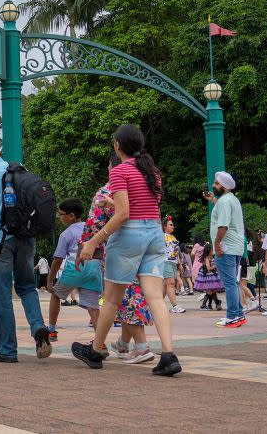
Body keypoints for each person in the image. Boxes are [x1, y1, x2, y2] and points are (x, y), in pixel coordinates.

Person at [72, 124, 180, 376]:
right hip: (155, 234)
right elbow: (143, 206)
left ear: (117, 145)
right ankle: (168, 354)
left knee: (111, 298)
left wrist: (92, 242)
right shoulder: (152, 172)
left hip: (129, 236)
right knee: (155, 297)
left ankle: (96, 350)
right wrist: (114, 203)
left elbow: (123, 215)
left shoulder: (120, 172)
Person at [0, 142, 51, 363]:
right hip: (25, 237)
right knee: (27, 287)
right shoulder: (17, 168)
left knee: (2, 294)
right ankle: (38, 327)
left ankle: (7, 350)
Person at [48, 198, 99, 340]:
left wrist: (50, 279)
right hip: (93, 269)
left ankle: (51, 330)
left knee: (56, 295)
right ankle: (100, 342)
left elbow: (58, 259)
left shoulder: (66, 234)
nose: (59, 217)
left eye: (61, 214)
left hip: (73, 269)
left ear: (70, 216)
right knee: (93, 307)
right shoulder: (92, 228)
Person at [204, 171, 247, 328]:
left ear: (223, 186)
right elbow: (225, 213)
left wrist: (216, 244)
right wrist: (213, 200)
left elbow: (223, 225)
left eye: (216, 183)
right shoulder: (232, 200)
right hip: (235, 247)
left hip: (225, 248)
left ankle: (232, 316)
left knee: (229, 283)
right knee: (233, 282)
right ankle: (239, 315)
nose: (213, 186)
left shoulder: (224, 202)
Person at [161, 217, 186, 313]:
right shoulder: (161, 236)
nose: (173, 226)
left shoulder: (173, 237)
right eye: (170, 224)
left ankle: (156, 304)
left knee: (165, 285)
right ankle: (175, 306)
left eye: (172, 224)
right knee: (171, 283)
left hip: (173, 263)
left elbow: (175, 253)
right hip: (165, 261)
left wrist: (179, 264)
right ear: (164, 226)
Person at [195, 243, 224, 310]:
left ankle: (212, 304)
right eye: (212, 249)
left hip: (212, 275)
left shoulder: (212, 257)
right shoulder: (207, 258)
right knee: (210, 291)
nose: (213, 251)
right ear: (209, 250)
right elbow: (208, 268)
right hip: (207, 275)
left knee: (212, 290)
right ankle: (204, 305)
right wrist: (215, 266)